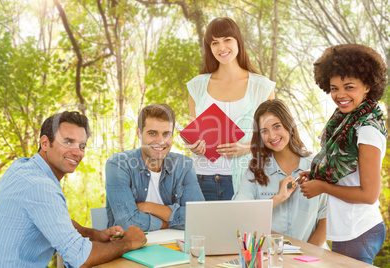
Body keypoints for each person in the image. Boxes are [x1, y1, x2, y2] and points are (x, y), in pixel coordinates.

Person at [0, 111, 147, 268]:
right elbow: (81, 258)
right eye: (68, 142)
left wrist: (95, 235)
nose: (78, 152)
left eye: (82, 145)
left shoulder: (22, 167)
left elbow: (54, 219)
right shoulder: (40, 186)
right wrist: (129, 242)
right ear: (44, 143)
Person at [300, 44, 387, 264]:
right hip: (348, 229)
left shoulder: (366, 129)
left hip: (357, 230)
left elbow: (369, 195)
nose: (340, 95)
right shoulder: (347, 122)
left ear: (367, 85)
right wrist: (315, 176)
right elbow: (347, 177)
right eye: (334, 88)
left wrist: (323, 187)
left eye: (349, 87)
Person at [186, 17, 275, 200]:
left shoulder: (262, 87)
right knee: (203, 229)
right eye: (215, 43)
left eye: (227, 40)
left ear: (238, 42)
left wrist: (246, 147)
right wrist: (193, 146)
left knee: (243, 229)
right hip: (202, 178)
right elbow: (193, 134)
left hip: (247, 180)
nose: (221, 48)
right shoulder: (197, 86)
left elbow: (272, 138)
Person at [233, 99, 327, 246]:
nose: (271, 136)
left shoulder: (316, 166)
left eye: (276, 126)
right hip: (268, 258)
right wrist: (277, 198)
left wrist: (304, 260)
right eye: (264, 131)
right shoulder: (254, 171)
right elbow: (239, 214)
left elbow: (325, 222)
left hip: (308, 260)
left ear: (289, 125)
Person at [106, 104, 204, 232]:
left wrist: (148, 207)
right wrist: (170, 222)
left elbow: (199, 218)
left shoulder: (184, 165)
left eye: (166, 134)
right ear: (139, 133)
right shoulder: (119, 164)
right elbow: (127, 223)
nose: (161, 141)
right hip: (130, 248)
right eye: (152, 133)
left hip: (174, 245)